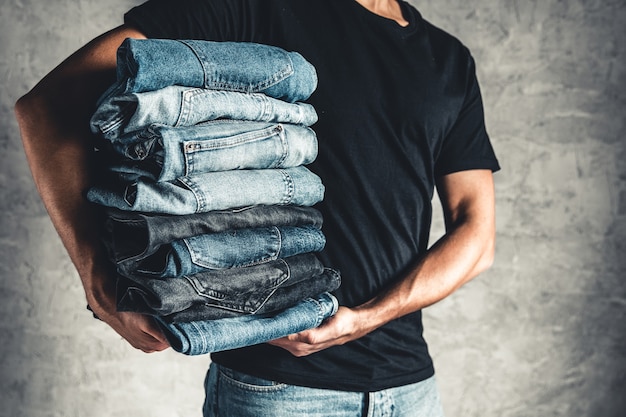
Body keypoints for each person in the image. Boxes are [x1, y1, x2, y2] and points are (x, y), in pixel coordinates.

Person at [15, 0, 500, 415]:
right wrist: (102, 282)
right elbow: (50, 104)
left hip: (411, 388)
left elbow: (476, 235)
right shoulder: (257, 6)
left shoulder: (447, 60)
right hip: (276, 390)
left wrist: (370, 316)